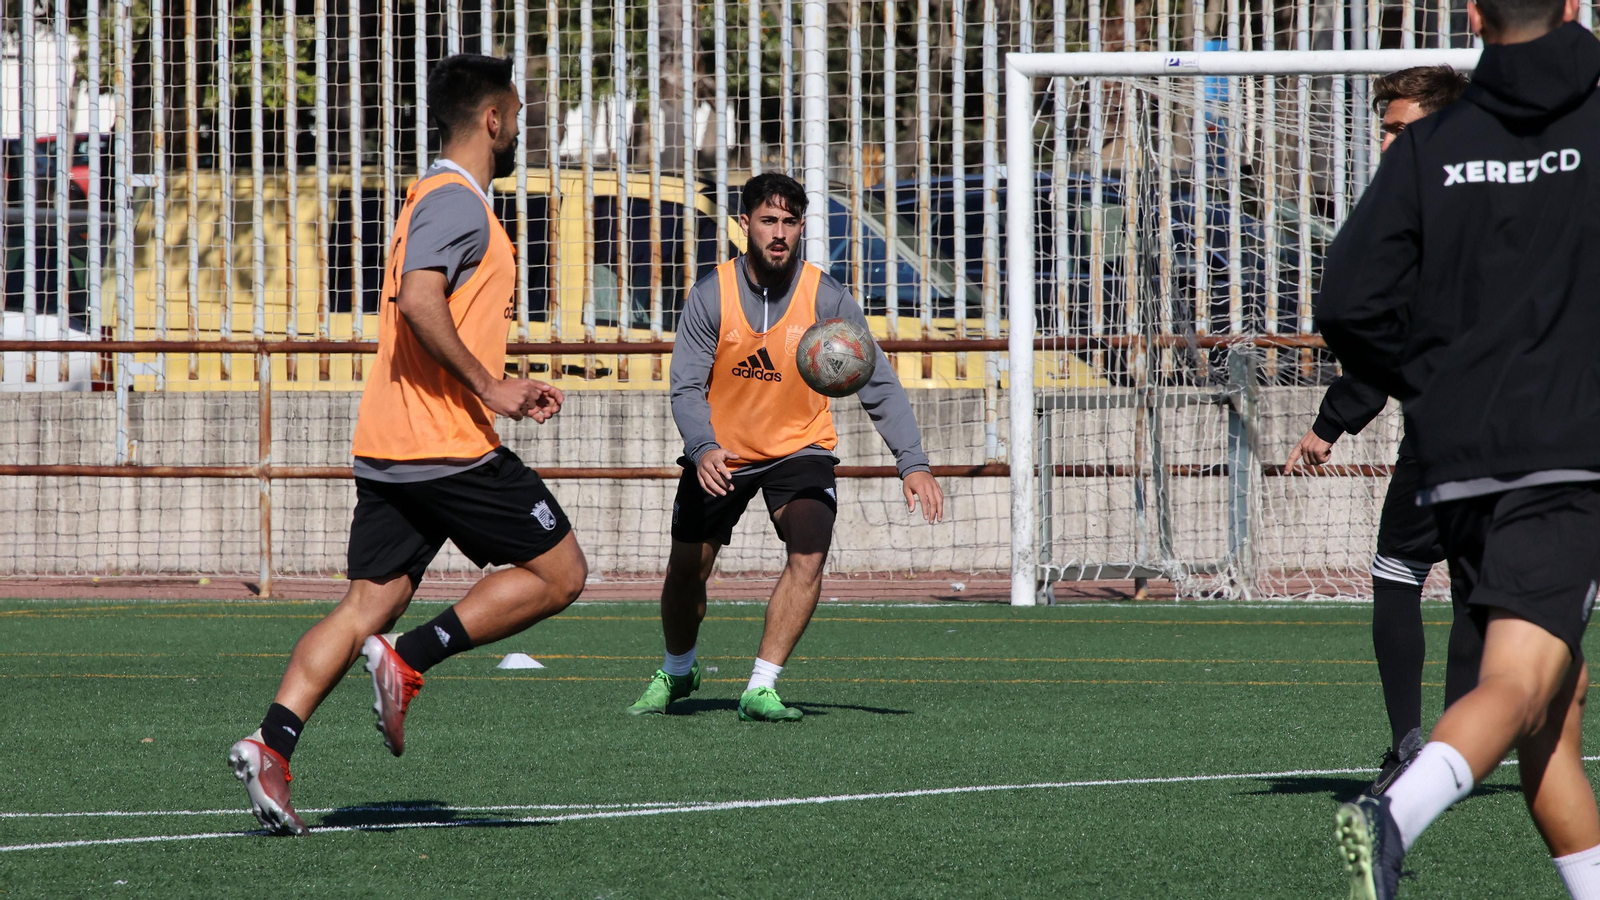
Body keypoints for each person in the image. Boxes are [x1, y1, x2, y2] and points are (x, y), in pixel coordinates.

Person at [226, 54, 588, 836]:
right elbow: (421, 300)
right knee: (561, 573)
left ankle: (272, 743)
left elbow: (432, 313)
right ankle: (413, 656)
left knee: (368, 601)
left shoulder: (433, 199)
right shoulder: (457, 203)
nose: (521, 130)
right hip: (446, 445)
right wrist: (491, 389)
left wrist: (499, 378)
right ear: (492, 120)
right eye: (519, 116)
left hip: (394, 444)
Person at [1317, 1, 1600, 896]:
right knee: (1520, 682)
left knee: (1551, 711)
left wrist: (1431, 383)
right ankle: (1393, 815)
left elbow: (1348, 303)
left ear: (1474, 12)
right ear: (1570, 7)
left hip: (1457, 460)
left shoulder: (1435, 146)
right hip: (1566, 459)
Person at [625, 173, 944, 722]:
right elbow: (685, 387)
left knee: (810, 547)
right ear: (745, 224)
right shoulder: (710, 295)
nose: (779, 233)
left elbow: (878, 379)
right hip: (721, 454)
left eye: (790, 222)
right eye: (768, 221)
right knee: (686, 573)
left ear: (801, 228)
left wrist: (912, 462)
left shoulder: (826, 295)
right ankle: (679, 670)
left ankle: (761, 686)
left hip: (800, 448)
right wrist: (702, 448)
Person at [1283, 65, 1473, 795]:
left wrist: (1334, 420)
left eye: (1400, 126)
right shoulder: (1509, 196)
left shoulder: (1415, 205)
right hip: (1534, 430)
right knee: (1479, 590)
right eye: (1385, 127)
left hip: (1447, 429)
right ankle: (1461, 750)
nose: (1388, 139)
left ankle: (1410, 747)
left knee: (1398, 574)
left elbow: (1375, 322)